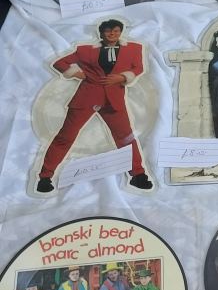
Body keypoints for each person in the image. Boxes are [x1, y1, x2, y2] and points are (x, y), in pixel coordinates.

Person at [36, 19, 152, 193]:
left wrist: (121, 77)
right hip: (86, 97)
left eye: (116, 30)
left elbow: (138, 68)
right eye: (108, 31)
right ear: (101, 33)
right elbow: (59, 63)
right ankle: (45, 177)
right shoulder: (85, 50)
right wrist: (76, 73)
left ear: (121, 32)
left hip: (114, 101)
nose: (112, 34)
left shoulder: (134, 48)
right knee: (65, 136)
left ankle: (138, 175)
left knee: (126, 138)